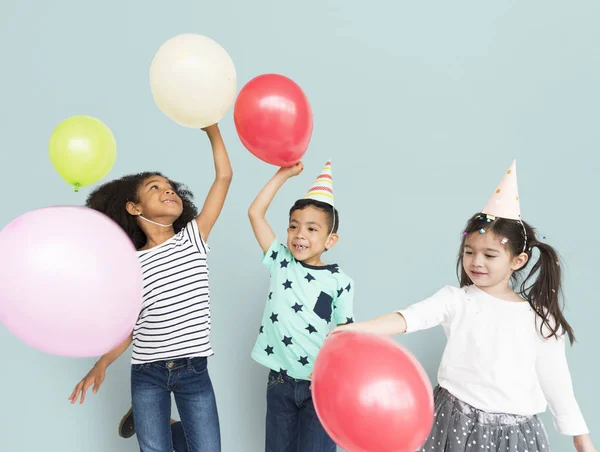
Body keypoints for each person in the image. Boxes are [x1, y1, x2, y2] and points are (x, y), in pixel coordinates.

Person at [334, 160, 595, 452]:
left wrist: (581, 437)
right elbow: (410, 318)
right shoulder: (456, 299)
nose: (476, 261)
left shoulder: (540, 319)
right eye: (469, 251)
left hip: (515, 435)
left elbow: (556, 379)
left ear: (517, 261)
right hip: (453, 421)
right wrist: (359, 329)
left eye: (490, 255)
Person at [68, 124, 232, 452]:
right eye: (155, 188)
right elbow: (131, 326)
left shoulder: (193, 239)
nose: (168, 190)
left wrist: (212, 130)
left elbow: (224, 177)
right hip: (148, 372)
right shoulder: (129, 264)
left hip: (193, 370)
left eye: (171, 188)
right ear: (134, 208)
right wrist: (101, 363)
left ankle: (173, 428)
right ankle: (164, 427)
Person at [248, 161, 354, 452]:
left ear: (330, 239)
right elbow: (255, 213)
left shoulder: (339, 281)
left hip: (320, 385)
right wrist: (283, 175)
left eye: (311, 228)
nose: (299, 234)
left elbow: (346, 334)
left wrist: (333, 370)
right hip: (279, 381)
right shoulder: (281, 261)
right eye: (293, 226)